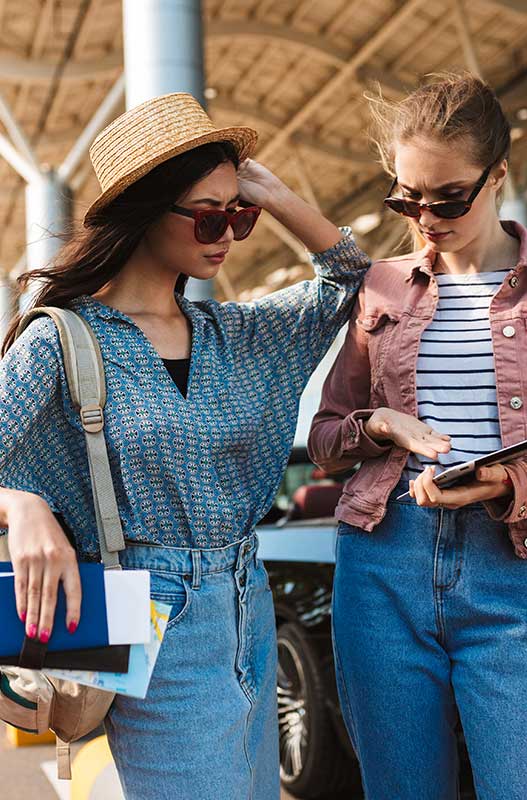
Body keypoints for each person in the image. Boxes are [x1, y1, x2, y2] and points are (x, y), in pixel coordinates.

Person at [0, 92, 371, 799]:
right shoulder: (61, 340)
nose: (228, 231)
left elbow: (354, 282)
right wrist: (21, 506)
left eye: (241, 214)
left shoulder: (239, 335)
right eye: (208, 213)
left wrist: (279, 195)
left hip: (248, 598)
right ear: (144, 212)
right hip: (145, 609)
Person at [308, 74, 527, 800]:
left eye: (448, 196)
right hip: (381, 562)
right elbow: (328, 434)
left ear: (499, 174)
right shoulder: (382, 288)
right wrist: (380, 425)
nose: (425, 216)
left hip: (510, 565)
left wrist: (515, 478)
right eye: (406, 197)